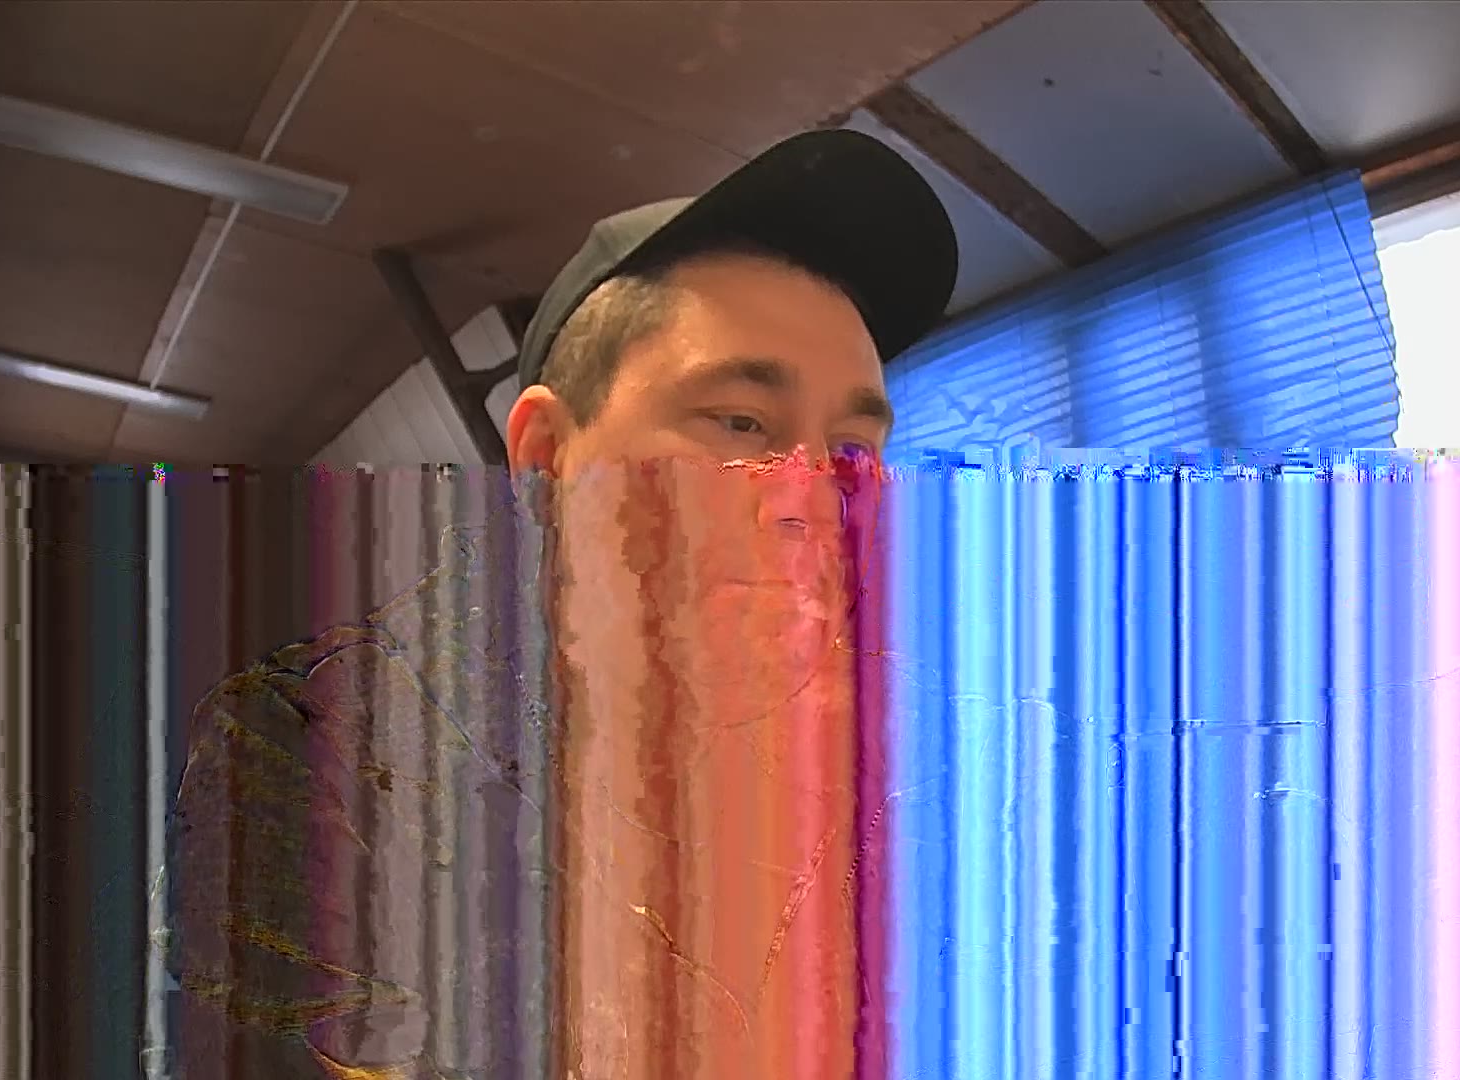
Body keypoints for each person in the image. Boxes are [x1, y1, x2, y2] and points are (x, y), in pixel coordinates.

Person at [160, 129, 959, 1079]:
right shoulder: (321, 754)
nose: (815, 500)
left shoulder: (911, 746)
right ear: (546, 459)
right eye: (741, 422)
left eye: (853, 451)